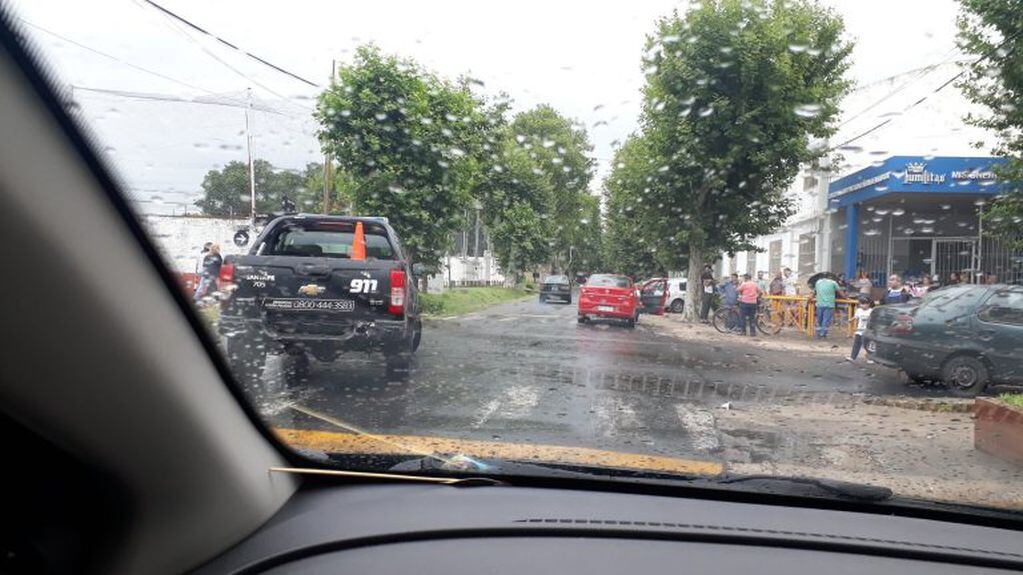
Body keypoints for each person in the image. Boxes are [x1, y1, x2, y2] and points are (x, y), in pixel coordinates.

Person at [846, 296, 875, 362]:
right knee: (856, 344)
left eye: (863, 304)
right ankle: (853, 357)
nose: (862, 305)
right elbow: (856, 317)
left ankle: (870, 358)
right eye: (861, 304)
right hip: (859, 330)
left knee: (867, 345)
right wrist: (851, 320)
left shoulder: (871, 311)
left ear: (868, 304)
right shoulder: (859, 310)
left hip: (867, 331)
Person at [812, 273, 840, 338]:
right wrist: (845, 297)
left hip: (819, 304)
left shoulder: (818, 282)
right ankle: (823, 334)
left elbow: (814, 292)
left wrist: (811, 296)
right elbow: (839, 291)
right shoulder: (833, 283)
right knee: (826, 320)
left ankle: (818, 333)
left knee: (819, 319)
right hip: (829, 304)